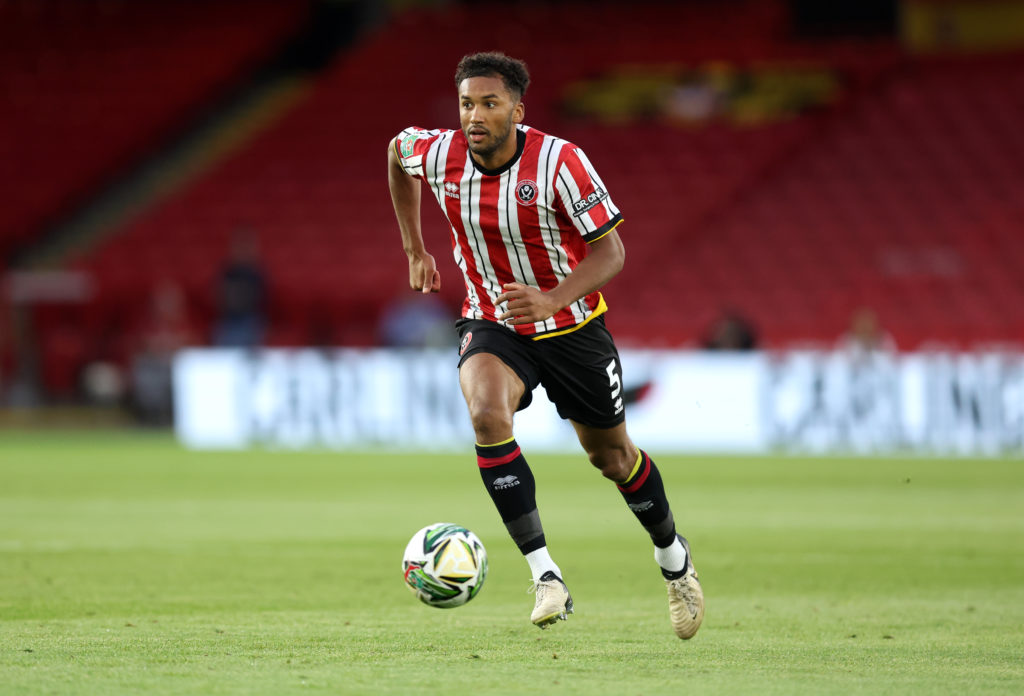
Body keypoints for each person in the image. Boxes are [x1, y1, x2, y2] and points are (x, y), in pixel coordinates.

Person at [387, 52, 704, 639]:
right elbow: (396, 154)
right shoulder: (438, 154)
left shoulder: (562, 163)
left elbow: (612, 253)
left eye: (488, 103)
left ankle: (673, 561)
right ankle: (546, 575)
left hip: (574, 329)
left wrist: (554, 298)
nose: (474, 116)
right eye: (465, 104)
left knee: (613, 458)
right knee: (486, 414)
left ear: (517, 108)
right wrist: (414, 247)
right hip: (494, 321)